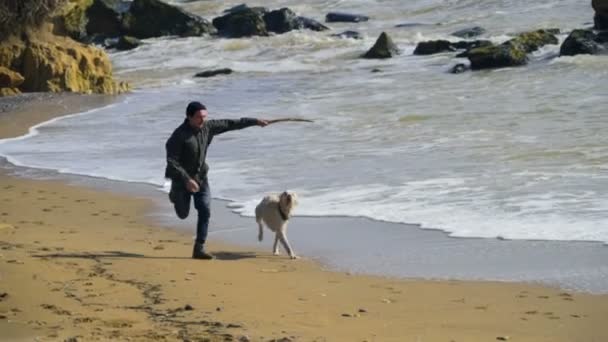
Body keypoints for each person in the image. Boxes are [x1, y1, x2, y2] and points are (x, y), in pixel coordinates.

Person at [165, 101, 269, 260]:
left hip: (201, 177)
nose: (203, 120)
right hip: (181, 181)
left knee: (205, 210)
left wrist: (255, 121)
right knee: (183, 214)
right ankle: (174, 195)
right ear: (189, 117)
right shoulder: (178, 136)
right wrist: (186, 179)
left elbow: (231, 123)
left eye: (205, 116)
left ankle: (199, 248)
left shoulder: (208, 127)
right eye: (199, 117)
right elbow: (172, 161)